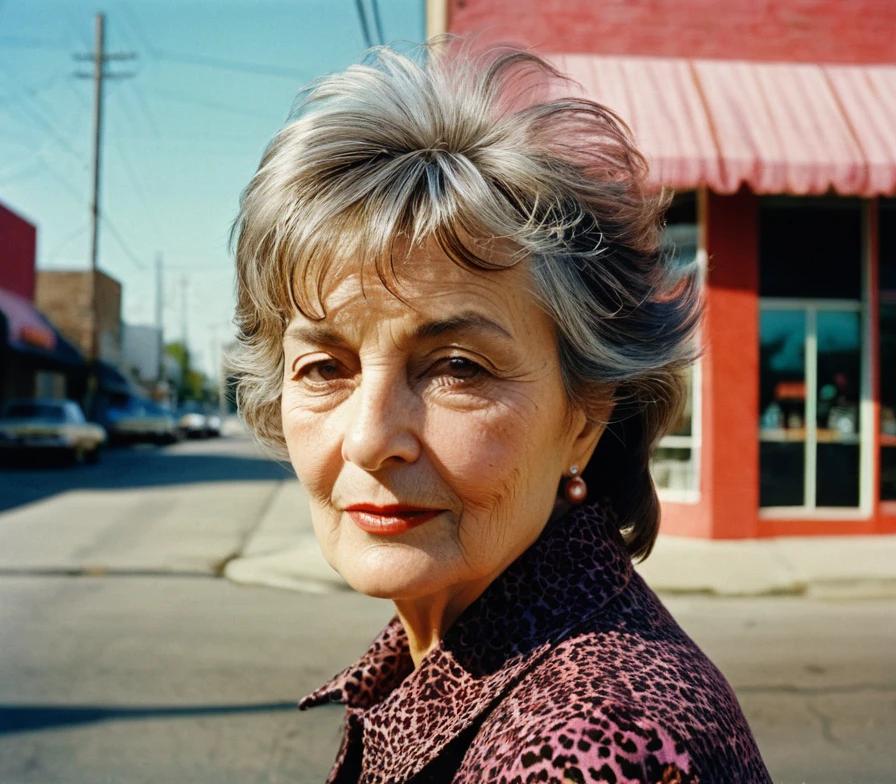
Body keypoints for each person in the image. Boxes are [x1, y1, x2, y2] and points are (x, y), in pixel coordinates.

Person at [230, 40, 772, 784]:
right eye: (325, 367)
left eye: (457, 368)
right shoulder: (449, 642)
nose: (368, 439)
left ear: (584, 412)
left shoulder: (590, 747)